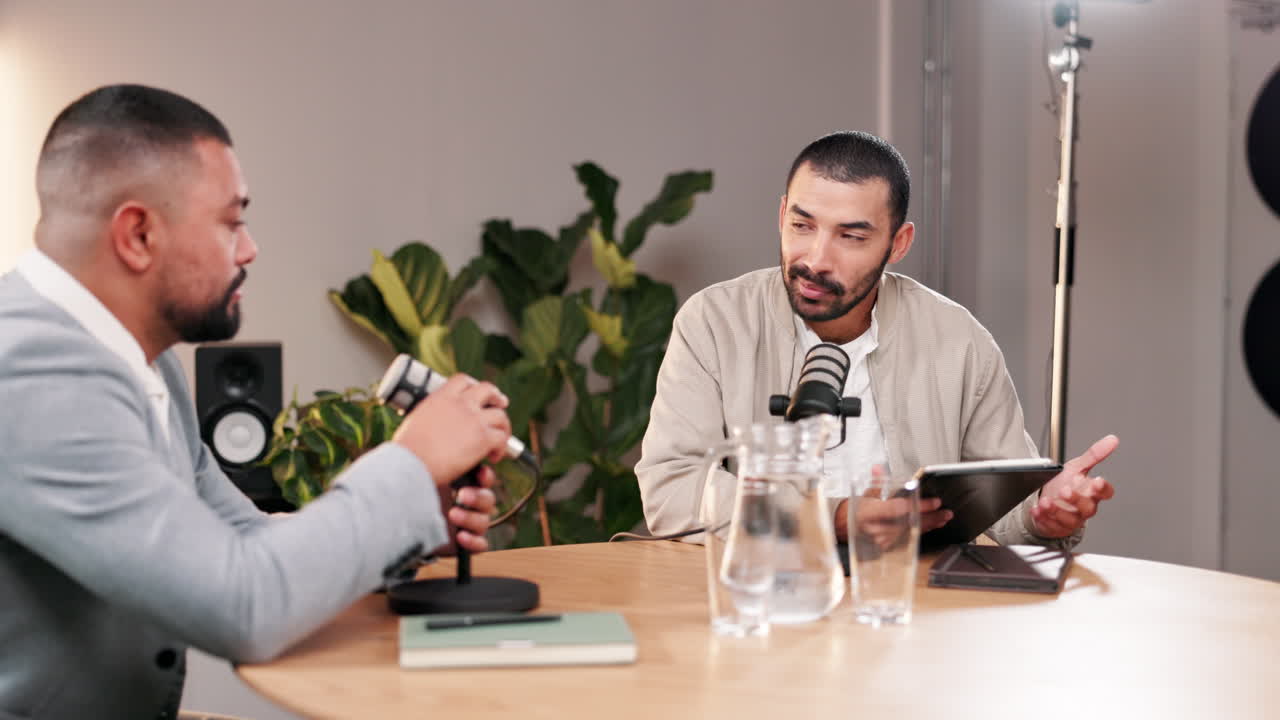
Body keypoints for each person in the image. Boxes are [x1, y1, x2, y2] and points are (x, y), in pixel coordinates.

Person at [0, 85, 512, 719]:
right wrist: (409, 465)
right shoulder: (32, 370)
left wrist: (409, 519)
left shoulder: (140, 358)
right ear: (138, 234)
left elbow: (241, 539)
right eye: (231, 221)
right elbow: (243, 603)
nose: (249, 249)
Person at [636, 130, 1116, 547]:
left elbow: (1003, 506)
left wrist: (1043, 513)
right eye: (801, 226)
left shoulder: (958, 340)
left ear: (898, 243)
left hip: (907, 598)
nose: (816, 259)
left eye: (851, 237)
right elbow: (672, 490)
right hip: (760, 591)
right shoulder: (714, 322)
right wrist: (834, 518)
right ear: (782, 215)